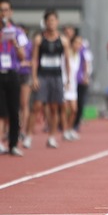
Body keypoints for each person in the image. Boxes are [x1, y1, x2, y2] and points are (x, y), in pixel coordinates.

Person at [27, 9, 71, 149]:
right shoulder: (39, 39)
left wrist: (68, 79)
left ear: (57, 22)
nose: (51, 23)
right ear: (45, 22)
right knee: (37, 106)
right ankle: (28, 135)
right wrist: (34, 77)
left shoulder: (63, 40)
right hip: (43, 76)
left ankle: (52, 136)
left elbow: (67, 61)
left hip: (57, 76)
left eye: (53, 20)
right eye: (48, 21)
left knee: (54, 107)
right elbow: (34, 60)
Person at [0, 0, 27, 156]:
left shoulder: (18, 32)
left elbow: (23, 56)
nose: (3, 13)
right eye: (1, 10)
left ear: (11, 12)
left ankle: (14, 143)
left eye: (6, 10)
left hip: (12, 73)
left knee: (13, 109)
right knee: (0, 110)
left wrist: (14, 43)